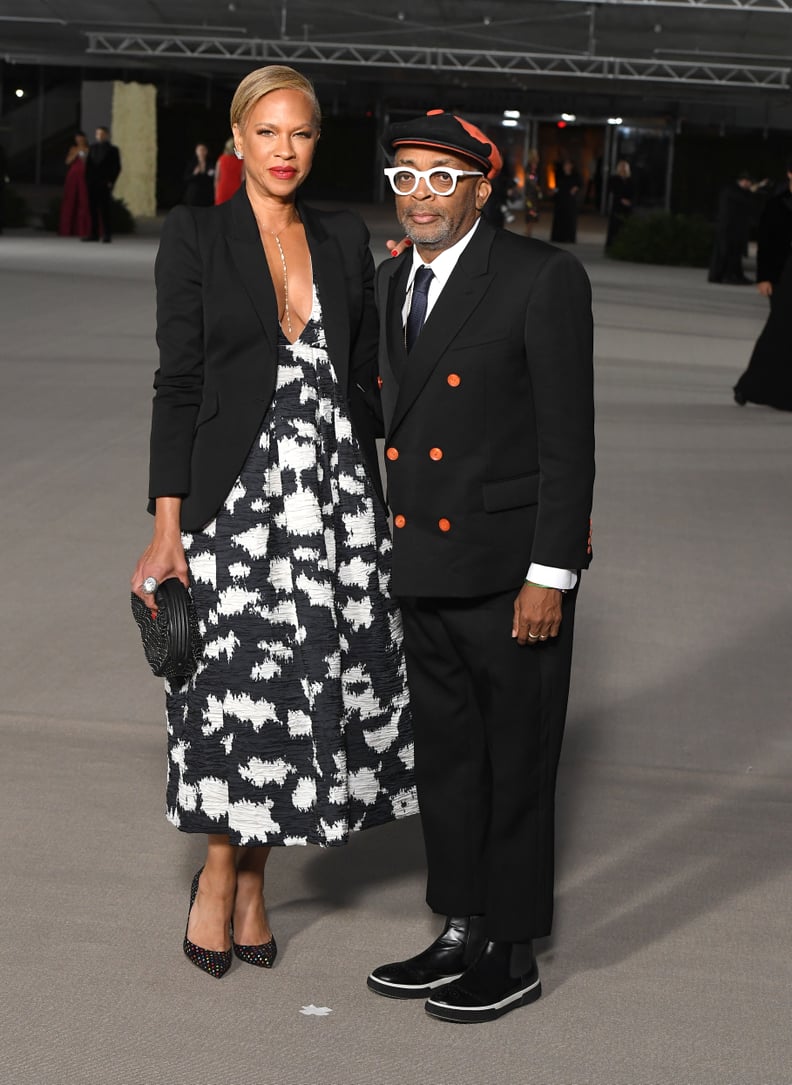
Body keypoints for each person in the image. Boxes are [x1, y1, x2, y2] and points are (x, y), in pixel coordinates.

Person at [130, 65, 417, 980]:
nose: (284, 151)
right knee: (225, 696)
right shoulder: (197, 235)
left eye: (300, 135)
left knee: (306, 693)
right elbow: (178, 383)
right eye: (268, 133)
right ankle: (219, 877)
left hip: (333, 500)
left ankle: (257, 881)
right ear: (237, 139)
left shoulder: (341, 236)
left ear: (314, 142)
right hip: (237, 502)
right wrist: (168, 525)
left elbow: (371, 380)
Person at [367, 111, 595, 1023]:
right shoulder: (391, 282)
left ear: (481, 189)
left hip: (509, 573)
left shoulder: (541, 278)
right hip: (422, 561)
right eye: (406, 178)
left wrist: (553, 571)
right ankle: (458, 926)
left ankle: (512, 947)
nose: (421, 194)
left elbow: (568, 442)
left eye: (441, 178)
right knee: (451, 762)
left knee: (517, 764)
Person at [733, 159, 792, 410]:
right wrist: (764, 278)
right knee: (778, 330)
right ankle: (749, 386)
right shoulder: (777, 205)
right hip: (781, 276)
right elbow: (767, 243)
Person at [708, 170, 766, 284]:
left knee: (735, 253)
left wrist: (758, 187)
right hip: (727, 229)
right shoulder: (731, 190)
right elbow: (744, 201)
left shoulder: (738, 191)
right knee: (727, 253)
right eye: (749, 182)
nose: (750, 185)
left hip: (736, 229)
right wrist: (754, 189)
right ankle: (726, 276)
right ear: (744, 181)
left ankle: (736, 276)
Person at [83, 126, 121, 243]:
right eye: (98, 133)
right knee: (92, 209)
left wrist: (111, 181)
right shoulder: (92, 148)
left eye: (101, 134)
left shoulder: (113, 150)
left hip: (104, 183)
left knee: (105, 209)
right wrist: (87, 180)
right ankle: (94, 234)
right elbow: (88, 166)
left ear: (107, 135)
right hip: (92, 183)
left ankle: (107, 234)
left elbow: (116, 167)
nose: (99, 136)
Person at [58, 131, 91, 237]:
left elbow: (90, 163)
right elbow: (67, 162)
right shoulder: (73, 149)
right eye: (77, 138)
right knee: (70, 200)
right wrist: (75, 153)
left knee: (84, 200)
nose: (79, 140)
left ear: (85, 138)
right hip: (73, 176)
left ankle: (84, 229)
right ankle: (67, 229)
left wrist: (84, 156)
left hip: (84, 176)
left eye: (81, 138)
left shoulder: (89, 149)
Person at [550, 158, 582, 243]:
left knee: (570, 218)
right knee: (560, 218)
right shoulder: (560, 175)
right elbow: (557, 187)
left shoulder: (575, 176)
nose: (566, 167)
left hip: (570, 200)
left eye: (568, 165)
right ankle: (558, 237)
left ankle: (569, 237)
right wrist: (554, 192)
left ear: (571, 166)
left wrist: (575, 188)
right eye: (565, 165)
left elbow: (579, 184)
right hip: (561, 199)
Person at [604, 159, 634, 251]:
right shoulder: (614, 179)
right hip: (617, 205)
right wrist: (621, 199)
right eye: (621, 167)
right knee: (615, 225)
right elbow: (612, 191)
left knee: (625, 225)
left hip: (628, 206)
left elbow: (634, 192)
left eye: (624, 167)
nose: (623, 169)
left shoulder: (630, 180)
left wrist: (630, 201)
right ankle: (612, 245)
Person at [214, 137, 245, 205]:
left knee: (221, 212)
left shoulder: (221, 159)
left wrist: (216, 193)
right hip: (236, 190)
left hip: (222, 190)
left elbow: (217, 178)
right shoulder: (242, 161)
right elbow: (243, 178)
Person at [523, 148, 542, 236]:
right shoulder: (529, 167)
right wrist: (535, 185)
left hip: (534, 194)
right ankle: (527, 230)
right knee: (530, 210)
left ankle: (530, 230)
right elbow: (529, 178)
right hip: (530, 194)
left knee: (534, 211)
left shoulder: (537, 167)